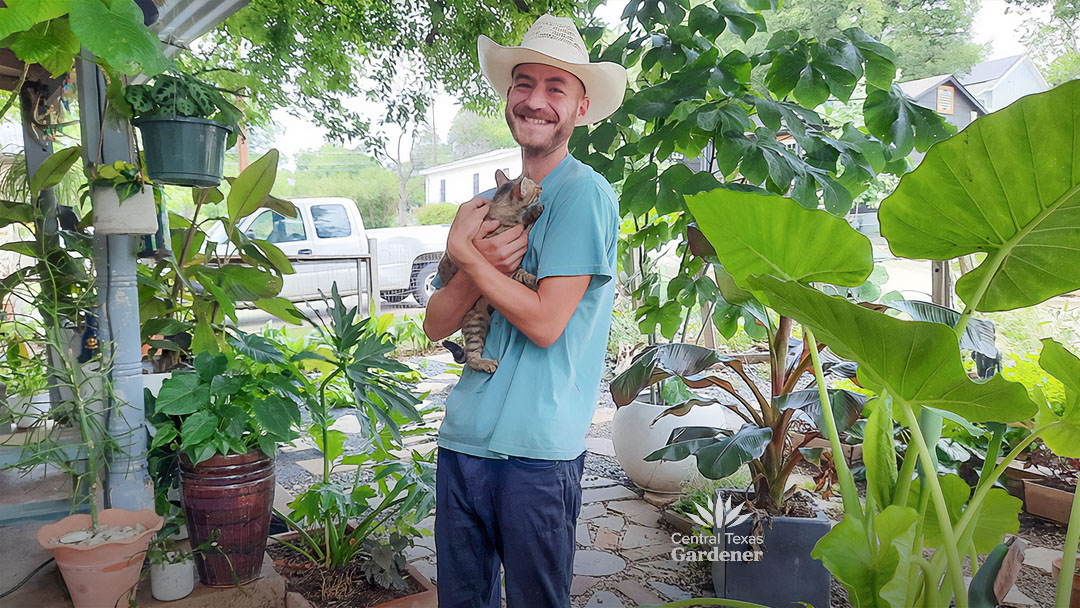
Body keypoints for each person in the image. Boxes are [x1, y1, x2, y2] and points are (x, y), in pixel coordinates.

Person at [422, 13, 627, 608]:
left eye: (555, 88)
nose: (535, 100)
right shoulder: (483, 203)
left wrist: (471, 257)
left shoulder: (584, 194)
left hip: (537, 451)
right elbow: (437, 324)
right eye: (524, 84)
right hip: (463, 440)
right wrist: (468, 262)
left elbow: (544, 323)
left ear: (580, 109)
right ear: (509, 97)